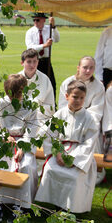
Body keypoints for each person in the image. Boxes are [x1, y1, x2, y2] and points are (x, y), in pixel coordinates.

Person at [35, 80, 98, 213]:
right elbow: (48, 134)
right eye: (75, 97)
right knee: (50, 170)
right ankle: (54, 205)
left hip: (79, 157)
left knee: (74, 177)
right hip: (59, 150)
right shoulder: (60, 114)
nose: (78, 100)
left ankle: (70, 209)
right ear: (67, 96)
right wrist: (57, 153)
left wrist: (72, 159)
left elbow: (89, 143)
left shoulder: (89, 118)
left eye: (81, 98)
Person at [0, 74, 39, 223]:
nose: (14, 99)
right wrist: (4, 136)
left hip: (23, 142)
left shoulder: (31, 105)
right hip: (5, 141)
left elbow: (32, 130)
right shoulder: (1, 103)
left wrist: (23, 148)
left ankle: (21, 207)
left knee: (25, 166)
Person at [58, 56, 105, 184]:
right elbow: (62, 106)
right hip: (69, 119)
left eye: (91, 68)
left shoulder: (98, 86)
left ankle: (87, 170)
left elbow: (97, 110)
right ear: (78, 68)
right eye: (85, 67)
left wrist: (83, 120)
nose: (88, 71)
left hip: (88, 122)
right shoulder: (68, 83)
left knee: (91, 137)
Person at [25, 13, 60, 98]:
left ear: (44, 20)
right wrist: (44, 46)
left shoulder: (49, 29)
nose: (35, 22)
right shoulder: (30, 32)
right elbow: (30, 47)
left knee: (51, 83)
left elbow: (57, 39)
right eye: (34, 20)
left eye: (37, 20)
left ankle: (52, 105)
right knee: (35, 84)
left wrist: (54, 26)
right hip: (35, 62)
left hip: (47, 61)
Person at [18, 48, 55, 121]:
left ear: (38, 62)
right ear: (22, 63)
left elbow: (40, 102)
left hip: (41, 117)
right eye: (29, 62)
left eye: (34, 61)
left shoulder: (44, 79)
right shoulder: (17, 79)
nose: (32, 65)